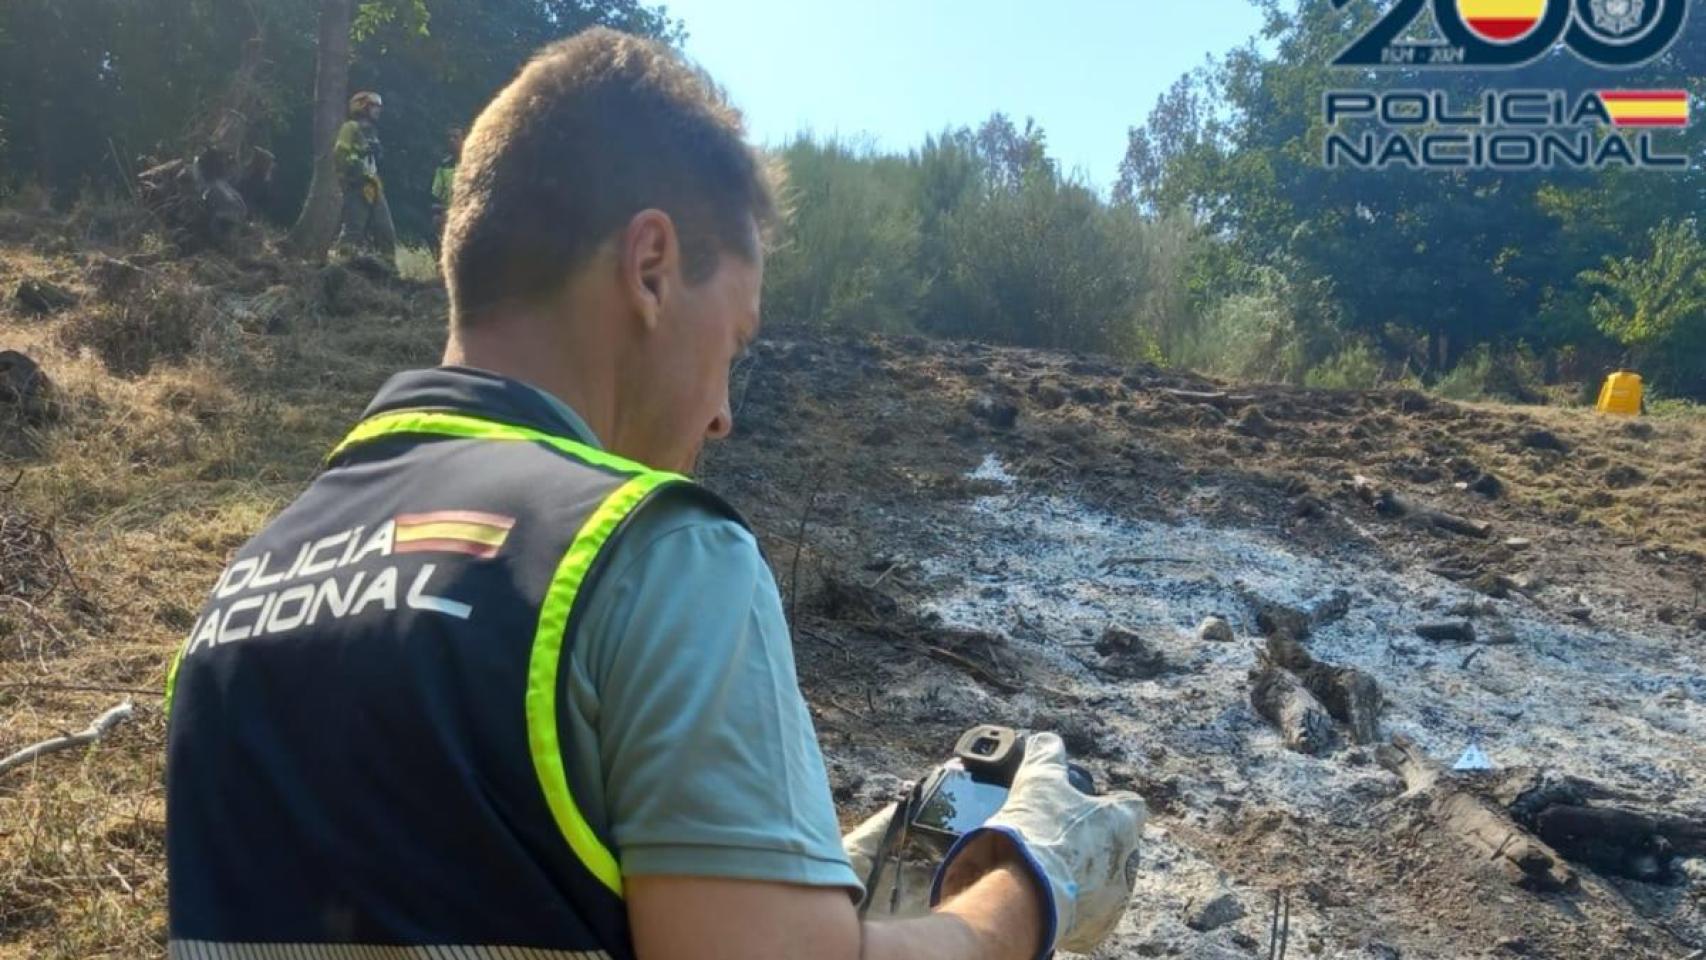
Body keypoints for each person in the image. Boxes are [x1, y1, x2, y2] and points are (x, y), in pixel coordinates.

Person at [163, 27, 1145, 960]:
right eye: (734, 346)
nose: (721, 415)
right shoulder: (650, 557)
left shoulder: (245, 587)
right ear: (649, 269)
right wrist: (1031, 882)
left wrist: (772, 869)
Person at [332, 90, 396, 264]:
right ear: (362, 106)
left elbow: (373, 161)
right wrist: (361, 154)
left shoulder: (372, 132)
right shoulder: (350, 127)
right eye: (374, 107)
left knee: (385, 230)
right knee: (354, 229)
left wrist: (377, 152)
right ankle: (341, 265)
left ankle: (389, 270)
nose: (378, 111)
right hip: (356, 185)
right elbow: (340, 154)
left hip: (373, 185)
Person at [430, 126, 463, 252]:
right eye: (449, 137)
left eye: (456, 137)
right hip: (447, 213)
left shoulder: (471, 164)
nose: (451, 140)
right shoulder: (443, 165)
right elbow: (435, 196)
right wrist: (439, 213)